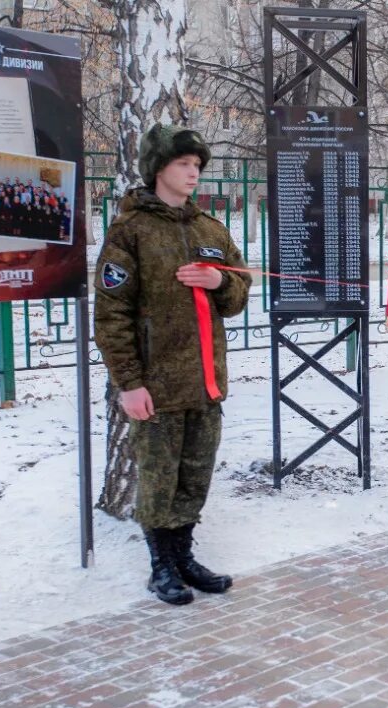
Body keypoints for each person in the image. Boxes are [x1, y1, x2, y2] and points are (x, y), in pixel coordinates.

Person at [94, 124, 251, 606]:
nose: (193, 173)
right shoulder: (131, 231)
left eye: (197, 166)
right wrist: (130, 384)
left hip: (205, 381)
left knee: (194, 476)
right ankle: (160, 566)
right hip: (157, 386)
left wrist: (216, 281)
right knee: (158, 479)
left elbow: (239, 293)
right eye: (184, 164)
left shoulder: (210, 230)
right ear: (159, 168)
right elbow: (111, 314)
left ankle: (183, 556)